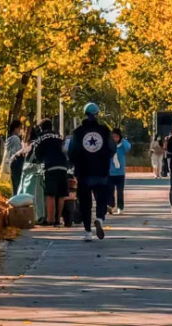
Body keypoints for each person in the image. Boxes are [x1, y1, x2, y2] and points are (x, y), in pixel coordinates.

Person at [67, 103, 115, 241]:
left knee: (85, 203)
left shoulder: (78, 132)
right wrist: (104, 158)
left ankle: (88, 232)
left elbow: (71, 151)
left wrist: (74, 165)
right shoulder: (105, 130)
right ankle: (99, 218)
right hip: (101, 171)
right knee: (101, 199)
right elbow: (112, 149)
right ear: (98, 114)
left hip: (83, 172)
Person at [33, 118, 68, 226]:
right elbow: (64, 149)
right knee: (61, 194)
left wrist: (39, 161)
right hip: (63, 166)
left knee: (50, 194)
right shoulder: (59, 136)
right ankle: (58, 219)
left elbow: (37, 155)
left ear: (41, 128)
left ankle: (49, 219)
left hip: (51, 167)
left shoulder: (40, 138)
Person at [109, 128, 132, 214]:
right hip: (110, 172)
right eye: (113, 137)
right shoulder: (109, 146)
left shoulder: (122, 146)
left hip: (120, 173)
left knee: (120, 191)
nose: (115, 138)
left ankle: (120, 207)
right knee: (110, 191)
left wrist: (122, 140)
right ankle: (110, 205)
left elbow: (128, 146)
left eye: (117, 137)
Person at [2, 120, 24, 195]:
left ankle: (14, 202)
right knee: (18, 186)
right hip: (17, 164)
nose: (20, 130)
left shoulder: (9, 138)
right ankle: (17, 203)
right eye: (19, 128)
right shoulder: (16, 139)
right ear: (15, 128)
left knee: (14, 186)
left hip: (11, 164)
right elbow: (18, 153)